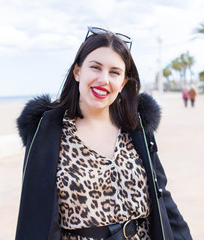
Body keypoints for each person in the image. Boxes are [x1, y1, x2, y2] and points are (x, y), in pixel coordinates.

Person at [15, 26, 192, 240]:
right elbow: (34, 213)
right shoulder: (46, 133)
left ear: (123, 82)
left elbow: (161, 196)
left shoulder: (136, 127)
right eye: (95, 68)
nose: (103, 79)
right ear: (78, 71)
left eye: (114, 72)